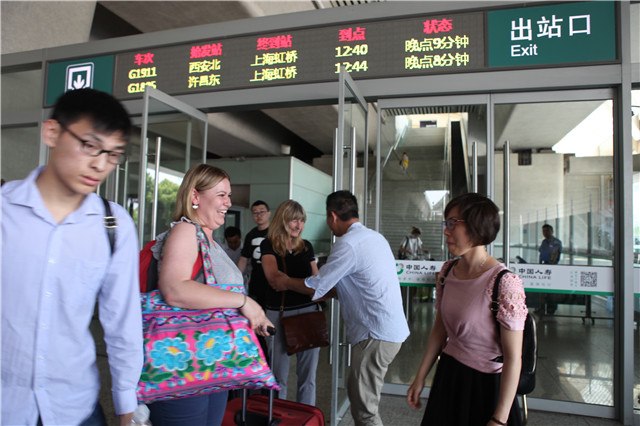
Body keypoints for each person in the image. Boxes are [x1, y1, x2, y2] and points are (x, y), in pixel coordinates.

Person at [1, 88, 143, 425]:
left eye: (113, 154)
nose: (100, 164)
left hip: (75, 407)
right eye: (90, 146)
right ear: (52, 133)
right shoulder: (5, 212)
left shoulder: (114, 224)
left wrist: (127, 408)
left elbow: (122, 322)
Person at [271, 190, 410, 426]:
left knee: (365, 411)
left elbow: (317, 286)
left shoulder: (348, 244)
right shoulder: (375, 237)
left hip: (374, 335)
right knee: (359, 395)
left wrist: (285, 282)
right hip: (387, 331)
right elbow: (351, 285)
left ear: (333, 216)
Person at [149, 164, 273, 426]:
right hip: (185, 366)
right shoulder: (186, 230)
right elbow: (175, 289)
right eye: (221, 195)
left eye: (229, 195)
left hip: (213, 363)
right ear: (195, 196)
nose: (228, 202)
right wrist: (244, 302)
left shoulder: (211, 242)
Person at [406, 193, 527, 426]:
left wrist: (499, 419)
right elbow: (439, 330)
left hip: (486, 387)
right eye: (446, 223)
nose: (446, 231)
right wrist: (420, 377)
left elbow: (514, 357)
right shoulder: (447, 271)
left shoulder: (504, 282)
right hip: (449, 375)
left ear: (476, 226)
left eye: (453, 223)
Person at [260, 200, 320, 405]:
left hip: (309, 313)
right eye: (294, 220)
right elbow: (274, 279)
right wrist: (305, 285)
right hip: (279, 313)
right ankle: (279, 416)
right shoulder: (269, 244)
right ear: (282, 220)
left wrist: (288, 282)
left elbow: (317, 284)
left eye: (302, 220)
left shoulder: (306, 246)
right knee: (278, 377)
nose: (299, 225)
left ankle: (307, 415)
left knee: (308, 378)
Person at [237, 200, 271, 308]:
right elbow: (244, 258)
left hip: (273, 278)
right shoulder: (250, 235)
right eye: (255, 212)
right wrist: (236, 276)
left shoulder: (276, 232)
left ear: (269, 213)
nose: (259, 215)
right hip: (257, 279)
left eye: (262, 212)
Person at [537, 224, 563, 314]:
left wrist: (550, 266)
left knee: (551, 290)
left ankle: (551, 309)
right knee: (542, 289)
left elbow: (554, 255)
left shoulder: (556, 242)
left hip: (552, 268)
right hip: (543, 267)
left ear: (552, 231)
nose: (545, 233)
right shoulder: (544, 242)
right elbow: (541, 253)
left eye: (547, 231)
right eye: (543, 231)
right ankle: (541, 308)